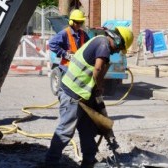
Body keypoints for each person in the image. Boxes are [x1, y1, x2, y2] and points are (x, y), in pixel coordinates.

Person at [45, 26, 134, 168]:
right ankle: (50, 163)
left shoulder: (100, 42)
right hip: (72, 94)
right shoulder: (103, 45)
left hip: (83, 96)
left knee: (87, 129)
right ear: (117, 41)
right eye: (120, 47)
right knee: (65, 131)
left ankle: (89, 161)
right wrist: (99, 87)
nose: (117, 51)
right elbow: (97, 69)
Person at [49, 9, 89, 73]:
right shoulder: (64, 33)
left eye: (81, 22)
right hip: (67, 68)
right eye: (77, 22)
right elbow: (52, 44)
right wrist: (64, 53)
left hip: (79, 68)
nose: (79, 24)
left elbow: (89, 45)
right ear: (71, 22)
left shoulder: (83, 34)